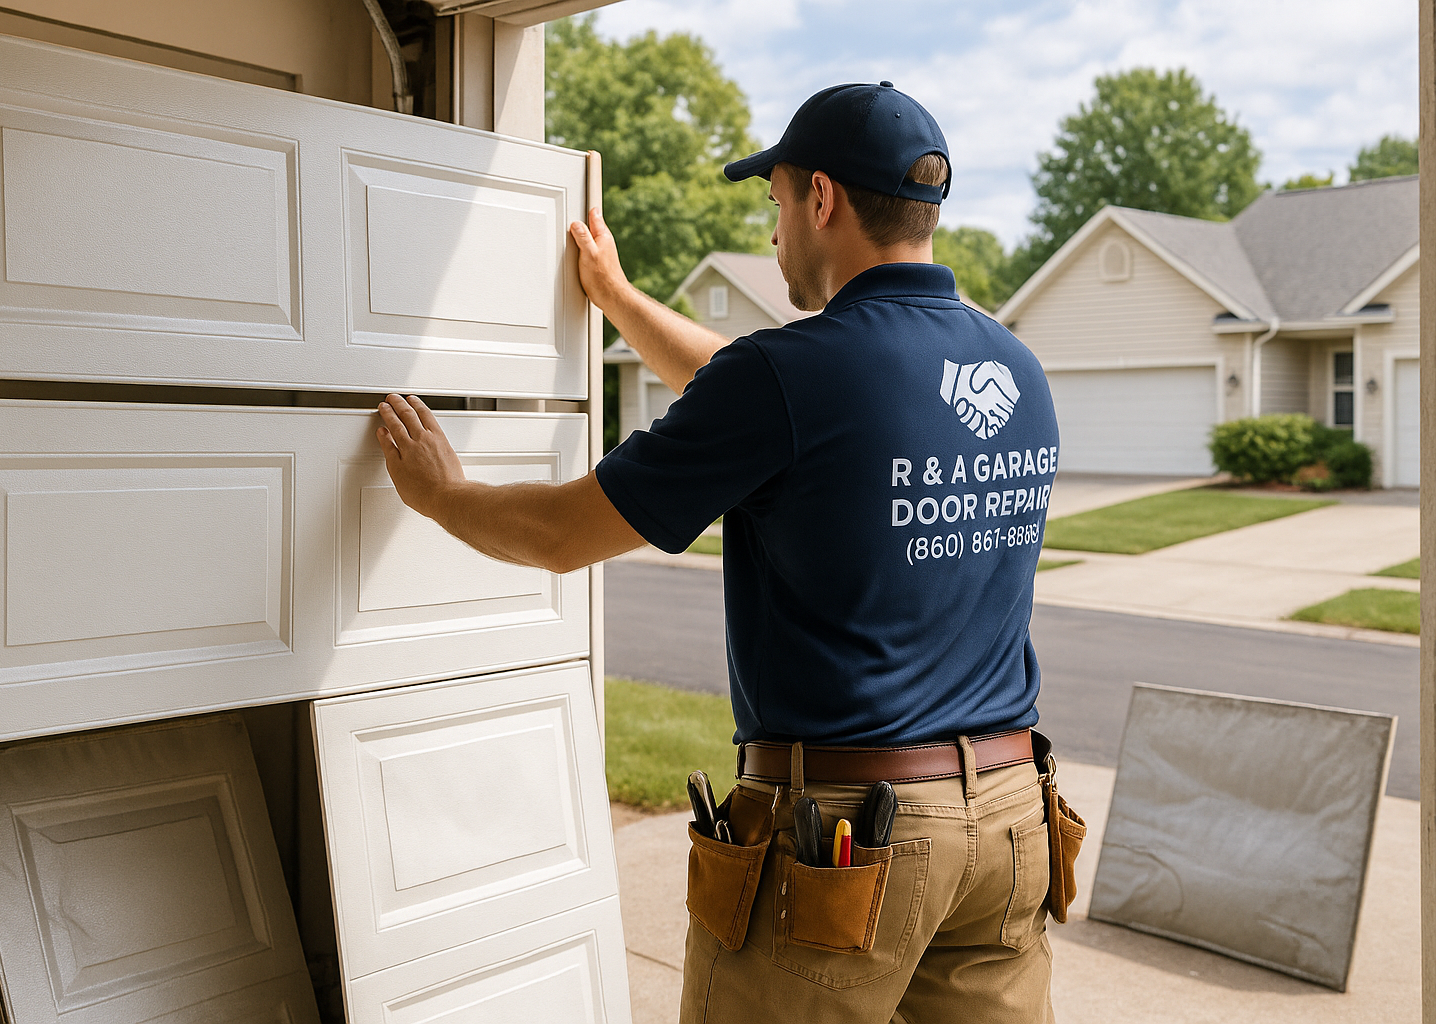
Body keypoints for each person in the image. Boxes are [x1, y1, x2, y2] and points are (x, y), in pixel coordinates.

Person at [375, 82, 1059, 1024]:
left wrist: (439, 495)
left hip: (855, 844)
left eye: (774, 201)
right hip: (1011, 825)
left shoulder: (791, 375)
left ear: (821, 198)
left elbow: (562, 534)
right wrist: (618, 299)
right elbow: (763, 404)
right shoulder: (1014, 370)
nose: (774, 229)